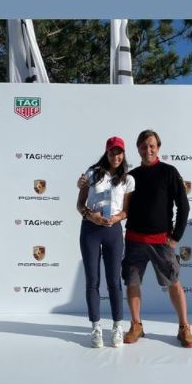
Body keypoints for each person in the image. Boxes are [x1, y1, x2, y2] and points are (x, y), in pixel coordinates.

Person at [122, 129, 192, 348]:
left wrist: (176, 237)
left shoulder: (169, 172)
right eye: (144, 146)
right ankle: (136, 325)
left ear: (158, 147)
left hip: (161, 241)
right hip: (134, 240)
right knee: (132, 283)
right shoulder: (131, 176)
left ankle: (184, 328)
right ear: (138, 149)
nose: (148, 150)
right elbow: (121, 205)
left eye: (152, 146)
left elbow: (184, 206)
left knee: (173, 283)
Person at [77, 136, 134, 348]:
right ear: (106, 152)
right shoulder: (91, 173)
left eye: (119, 152)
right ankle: (96, 327)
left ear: (123, 154)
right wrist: (91, 216)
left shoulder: (128, 179)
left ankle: (117, 326)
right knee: (92, 280)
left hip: (113, 231)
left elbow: (127, 210)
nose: (115, 156)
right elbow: (79, 204)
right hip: (90, 230)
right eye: (112, 152)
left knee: (114, 281)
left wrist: (116, 218)